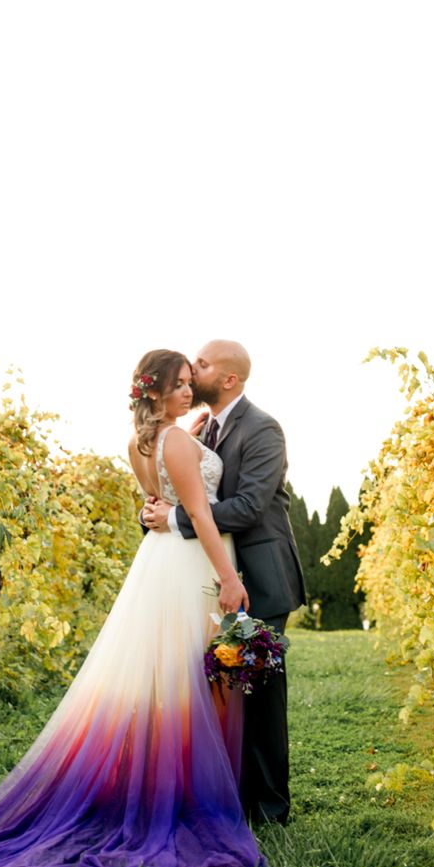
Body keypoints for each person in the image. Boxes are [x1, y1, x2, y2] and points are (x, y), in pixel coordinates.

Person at [0, 349, 266, 867]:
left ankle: (164, 788)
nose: (189, 393)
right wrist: (229, 579)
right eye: (180, 385)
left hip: (158, 563)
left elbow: (154, 504)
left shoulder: (140, 443)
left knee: (168, 680)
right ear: (156, 392)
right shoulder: (181, 440)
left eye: (192, 383)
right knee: (194, 680)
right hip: (190, 565)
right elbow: (200, 514)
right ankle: (185, 800)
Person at [143, 340, 306, 825]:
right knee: (224, 690)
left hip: (261, 575)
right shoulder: (199, 428)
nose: (194, 369)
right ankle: (234, 796)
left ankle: (272, 808)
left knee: (260, 694)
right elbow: (188, 487)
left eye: (204, 364)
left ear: (230, 379)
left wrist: (175, 517)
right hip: (214, 575)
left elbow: (249, 507)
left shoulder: (262, 429)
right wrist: (157, 510)